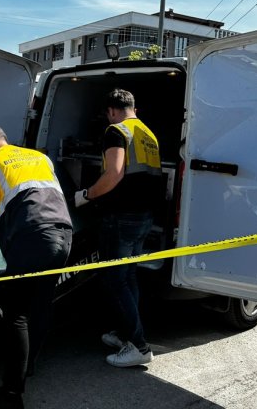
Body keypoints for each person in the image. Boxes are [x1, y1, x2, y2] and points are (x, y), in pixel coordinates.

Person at [0, 124, 73, 408]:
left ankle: (11, 393)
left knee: (15, 313)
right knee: (41, 304)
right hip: (63, 234)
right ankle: (29, 365)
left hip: (31, 236)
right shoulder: (40, 157)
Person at [75, 89, 162, 368]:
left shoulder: (116, 131)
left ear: (112, 111)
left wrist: (86, 195)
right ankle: (127, 335)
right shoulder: (147, 133)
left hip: (121, 217)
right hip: (143, 217)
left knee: (115, 280)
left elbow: (114, 173)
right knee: (128, 278)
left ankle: (138, 346)